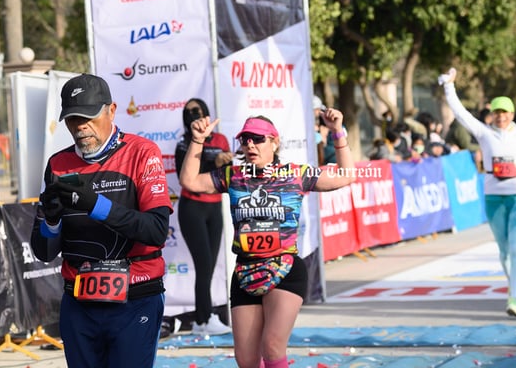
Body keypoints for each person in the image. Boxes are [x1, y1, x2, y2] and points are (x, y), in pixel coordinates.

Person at [178, 109, 357, 368]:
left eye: (258, 139)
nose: (250, 144)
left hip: (284, 269)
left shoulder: (296, 174)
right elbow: (190, 181)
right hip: (245, 272)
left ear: (275, 141)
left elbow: (346, 176)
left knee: (272, 347)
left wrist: (338, 131)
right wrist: (197, 141)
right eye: (245, 139)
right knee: (247, 360)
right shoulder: (234, 176)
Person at [30, 74, 173, 367]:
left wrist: (96, 205)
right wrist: (53, 221)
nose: (80, 126)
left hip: (135, 299)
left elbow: (157, 231)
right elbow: (44, 252)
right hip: (79, 303)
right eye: (72, 119)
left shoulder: (142, 153)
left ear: (111, 110)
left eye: (88, 116)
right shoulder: (57, 164)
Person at [439, 64, 516, 318]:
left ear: (512, 114)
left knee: (515, 248)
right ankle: (513, 284)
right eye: (497, 113)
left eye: (505, 113)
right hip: (494, 199)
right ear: (491, 115)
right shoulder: (483, 133)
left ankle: (514, 298)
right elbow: (459, 113)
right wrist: (449, 85)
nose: (501, 117)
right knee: (504, 251)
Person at [174, 98, 233, 336]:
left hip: (214, 207)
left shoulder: (220, 139)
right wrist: (213, 160)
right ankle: (204, 318)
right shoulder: (183, 143)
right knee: (204, 264)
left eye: (197, 110)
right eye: (188, 112)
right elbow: (184, 174)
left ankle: (203, 318)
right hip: (192, 208)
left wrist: (226, 160)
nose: (194, 115)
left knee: (209, 266)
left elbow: (227, 171)